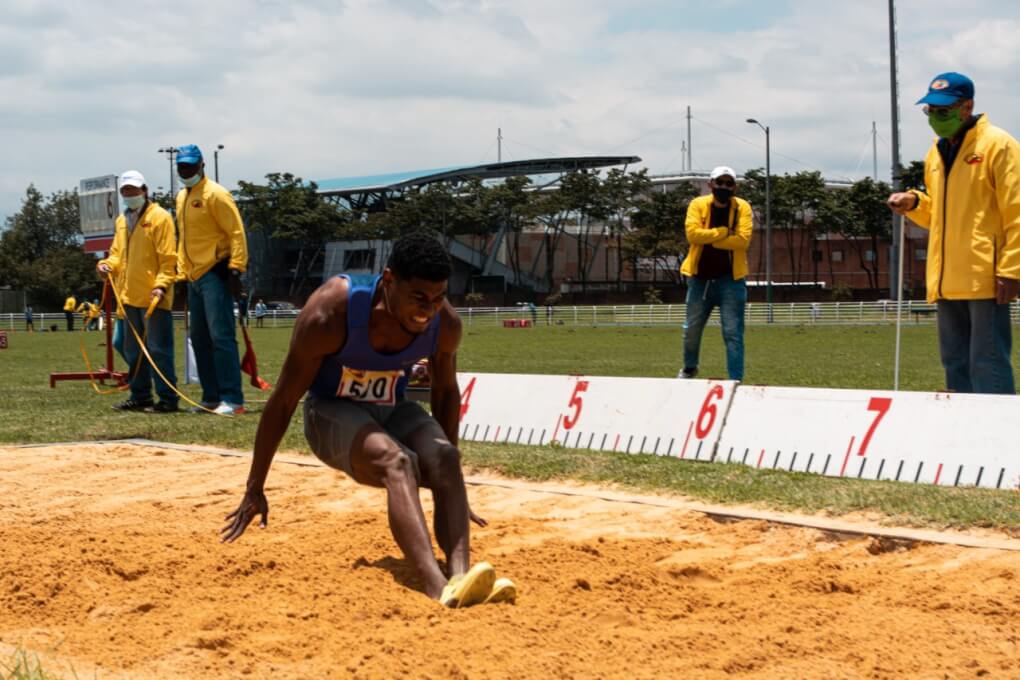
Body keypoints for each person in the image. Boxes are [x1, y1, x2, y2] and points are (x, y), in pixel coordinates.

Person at [220, 231, 516, 608]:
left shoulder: (445, 324)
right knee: (398, 461)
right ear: (389, 281)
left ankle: (462, 577)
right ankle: (435, 585)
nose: (427, 311)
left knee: (445, 458)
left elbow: (444, 393)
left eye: (438, 298)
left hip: (392, 409)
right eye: (418, 298)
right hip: (330, 413)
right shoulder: (331, 314)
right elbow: (282, 402)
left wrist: (450, 483)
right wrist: (255, 486)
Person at [888, 72, 1020, 394]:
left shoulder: (998, 145)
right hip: (947, 280)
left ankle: (1000, 437)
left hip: (986, 278)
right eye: (930, 111)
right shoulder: (936, 152)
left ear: (967, 107)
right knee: (955, 363)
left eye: (943, 110)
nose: (935, 117)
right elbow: (941, 215)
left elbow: (1016, 212)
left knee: (986, 363)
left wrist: (1012, 269)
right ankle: (961, 437)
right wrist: (915, 202)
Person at [175, 144, 248, 415]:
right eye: (181, 166)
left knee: (221, 337)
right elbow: (183, 239)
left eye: (190, 166)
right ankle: (211, 397)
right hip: (193, 277)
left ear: (202, 165)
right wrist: (182, 275)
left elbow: (236, 233)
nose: (186, 171)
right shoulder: (182, 197)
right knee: (200, 338)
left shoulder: (216, 194)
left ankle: (233, 399)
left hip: (215, 273)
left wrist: (235, 269)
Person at [98, 170, 179, 412]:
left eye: (134, 190)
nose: (130, 194)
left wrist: (161, 285)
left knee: (158, 350)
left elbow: (168, 258)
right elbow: (116, 254)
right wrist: (106, 266)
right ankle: (141, 394)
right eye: (126, 191)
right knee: (124, 344)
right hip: (128, 296)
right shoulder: (122, 221)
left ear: (145, 190)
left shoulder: (161, 217)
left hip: (154, 297)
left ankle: (167, 399)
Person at [678, 166, 754, 381]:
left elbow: (743, 241)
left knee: (732, 333)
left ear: (735, 187)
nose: (724, 187)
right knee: (691, 330)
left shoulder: (743, 208)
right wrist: (722, 233)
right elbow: (692, 235)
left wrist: (709, 238)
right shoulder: (697, 204)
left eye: (729, 183)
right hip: (700, 279)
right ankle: (689, 368)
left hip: (731, 280)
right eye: (719, 182)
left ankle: (735, 380)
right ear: (710, 184)